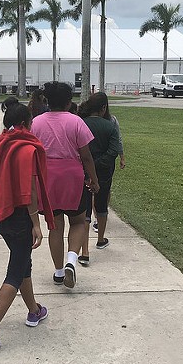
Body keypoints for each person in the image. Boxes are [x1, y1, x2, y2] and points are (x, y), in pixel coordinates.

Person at [0, 103, 55, 350]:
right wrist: (36, 223)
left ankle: (34, 311)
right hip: (20, 217)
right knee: (15, 271)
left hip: (2, 215)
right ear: (25, 123)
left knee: (23, 264)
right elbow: (29, 191)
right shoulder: (26, 149)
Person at [30, 82, 99, 289]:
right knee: (78, 222)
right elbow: (86, 156)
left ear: (47, 101)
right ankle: (71, 260)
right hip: (73, 176)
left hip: (47, 177)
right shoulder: (76, 122)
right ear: (69, 102)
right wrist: (93, 180)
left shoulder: (36, 123)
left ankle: (59, 272)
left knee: (55, 226)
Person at [77, 93, 121, 265]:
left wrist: (89, 165)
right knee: (101, 206)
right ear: (103, 108)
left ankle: (85, 251)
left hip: (83, 172)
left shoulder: (81, 124)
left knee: (84, 210)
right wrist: (98, 163)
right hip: (104, 172)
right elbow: (113, 151)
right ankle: (101, 238)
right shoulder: (110, 127)